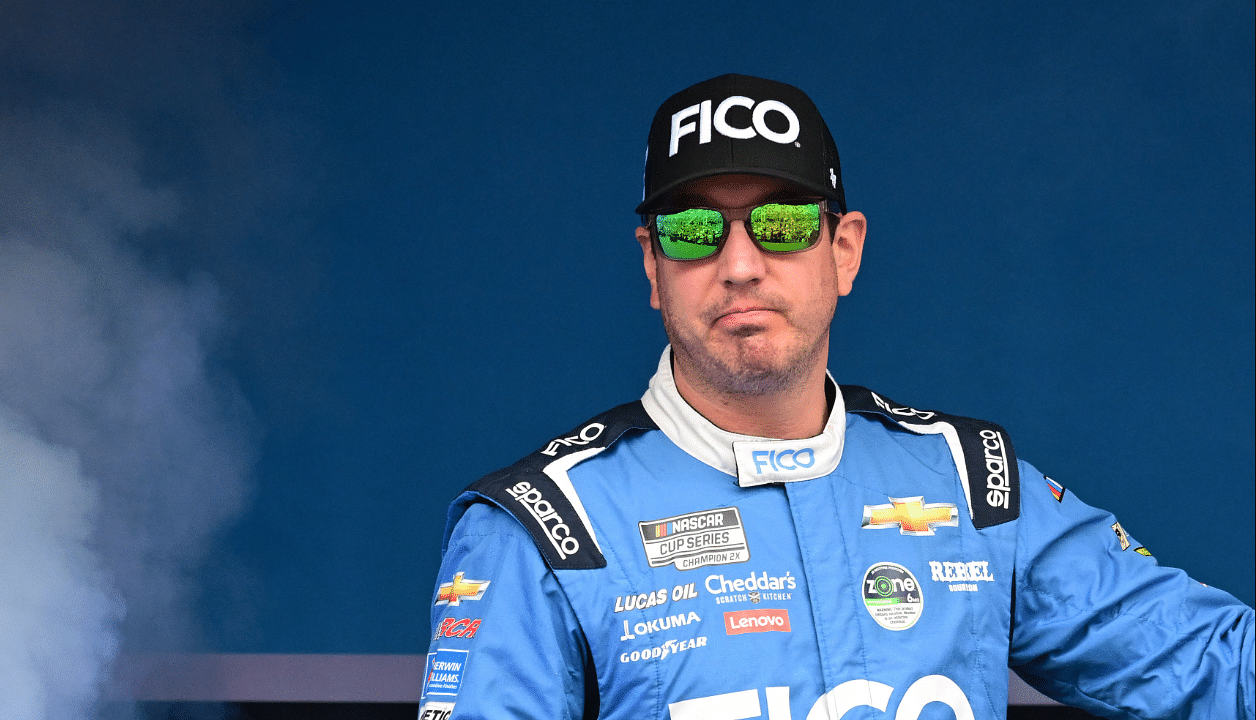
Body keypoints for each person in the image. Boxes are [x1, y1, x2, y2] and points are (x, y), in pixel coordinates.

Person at [418, 74, 1254, 720]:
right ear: (652, 266)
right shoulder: (541, 531)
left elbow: (1218, 666)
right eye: (693, 230)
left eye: (781, 223)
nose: (740, 264)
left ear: (844, 251)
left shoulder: (969, 485)